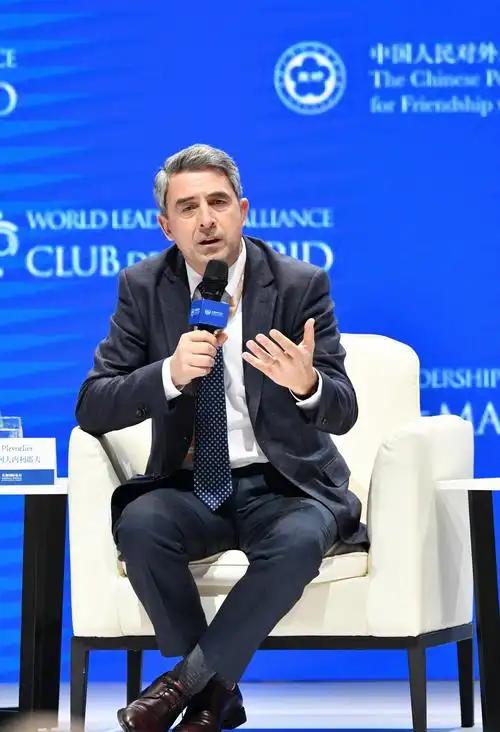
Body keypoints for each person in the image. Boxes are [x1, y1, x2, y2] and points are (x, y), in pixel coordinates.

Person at [76, 143, 368, 732]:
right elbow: (93, 405)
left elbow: (343, 410)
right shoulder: (143, 286)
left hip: (286, 485)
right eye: (188, 208)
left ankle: (182, 688)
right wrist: (168, 374)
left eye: (218, 202)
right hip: (189, 486)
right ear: (167, 226)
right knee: (141, 525)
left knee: (300, 540)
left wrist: (307, 383)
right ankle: (216, 697)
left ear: (243, 210)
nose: (206, 219)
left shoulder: (298, 284)